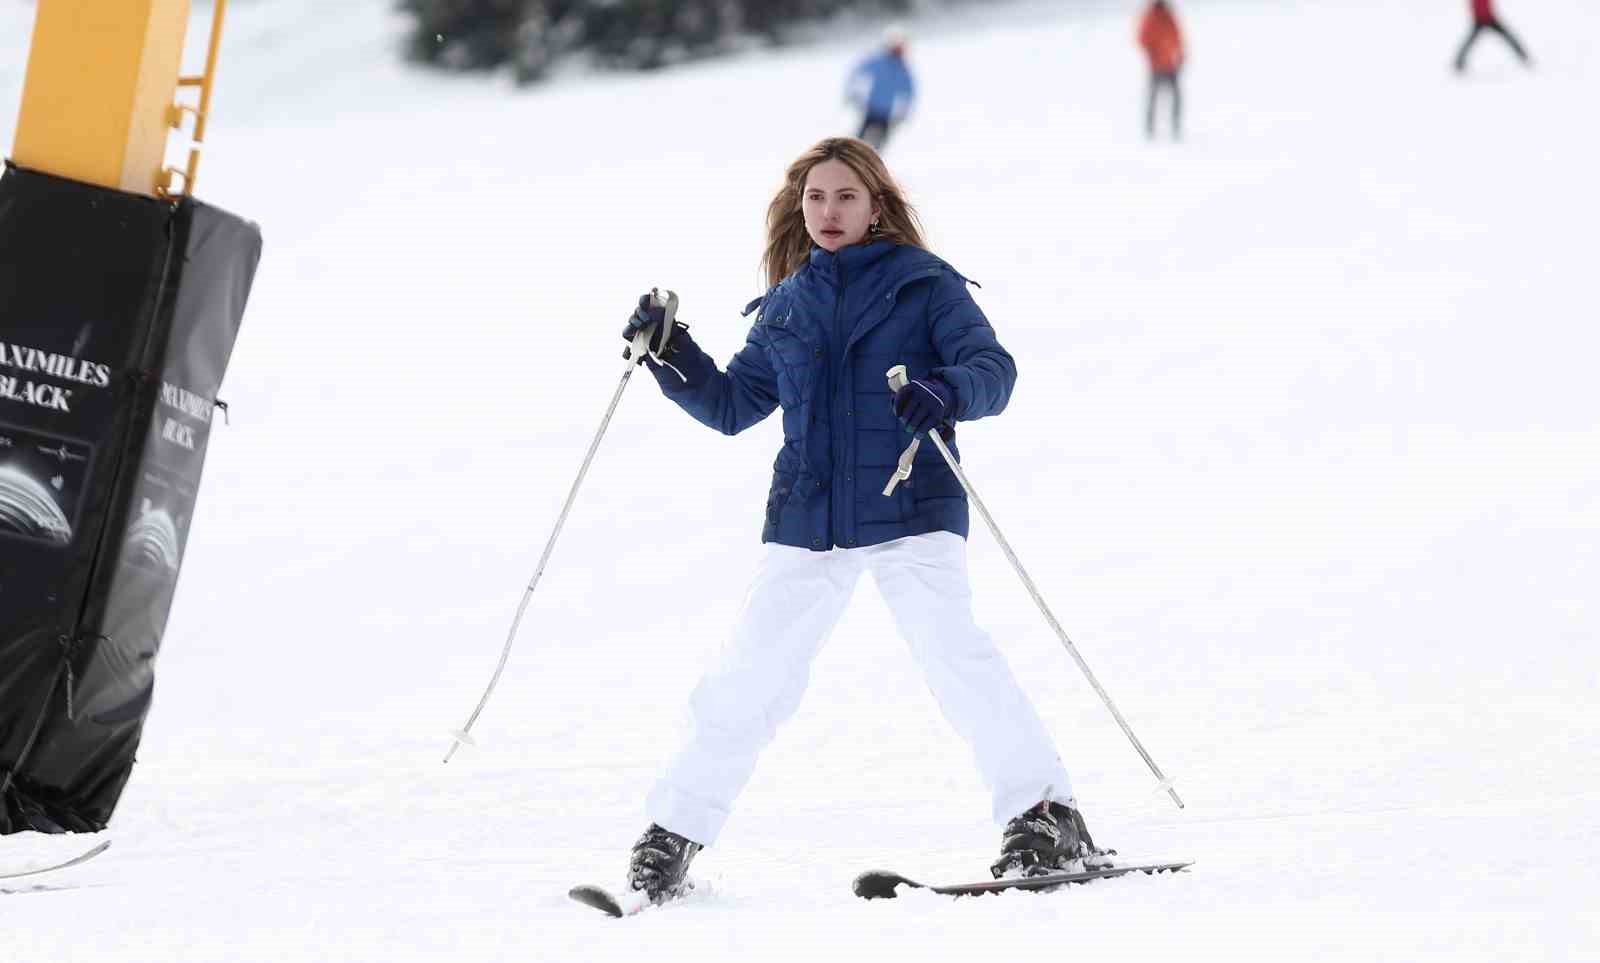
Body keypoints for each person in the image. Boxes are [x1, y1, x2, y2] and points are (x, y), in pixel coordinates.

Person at [614, 137, 1112, 904]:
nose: (829, 211)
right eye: (816, 198)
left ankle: (1044, 812)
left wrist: (946, 391)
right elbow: (732, 405)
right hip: (808, 516)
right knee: (747, 677)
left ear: (875, 205)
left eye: (846, 196)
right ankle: (670, 834)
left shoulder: (925, 286)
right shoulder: (787, 302)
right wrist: (669, 349)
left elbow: (993, 371)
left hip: (910, 502)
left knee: (954, 657)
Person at [845, 27, 915, 152]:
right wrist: (852, 93)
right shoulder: (878, 61)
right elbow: (858, 73)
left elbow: (908, 92)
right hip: (871, 109)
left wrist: (904, 112)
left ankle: (871, 167)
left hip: (886, 114)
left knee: (879, 146)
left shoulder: (903, 69)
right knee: (858, 142)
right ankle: (851, 161)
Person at [1137, 0, 1185, 141]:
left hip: (1170, 63)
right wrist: (1151, 53)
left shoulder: (1168, 13)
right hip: (1155, 65)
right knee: (1153, 97)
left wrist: (1180, 54)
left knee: (1176, 96)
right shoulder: (1149, 14)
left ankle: (1175, 126)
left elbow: (1178, 35)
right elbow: (1141, 38)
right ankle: (1149, 129)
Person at [1454, 0, 1532, 73]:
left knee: (1509, 37)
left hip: (1490, 19)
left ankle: (1523, 56)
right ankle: (1459, 62)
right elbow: (1475, 8)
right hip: (1480, 21)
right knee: (1469, 42)